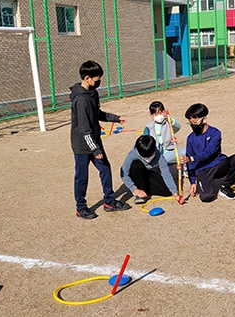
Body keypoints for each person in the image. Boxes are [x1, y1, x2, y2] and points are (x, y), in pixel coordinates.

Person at [70, 60, 131, 220]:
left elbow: (98, 114)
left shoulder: (92, 94)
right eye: (97, 80)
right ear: (87, 78)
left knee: (105, 169)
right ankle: (81, 207)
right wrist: (95, 150)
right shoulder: (80, 100)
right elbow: (84, 129)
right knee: (82, 176)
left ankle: (109, 202)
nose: (99, 83)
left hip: (94, 140)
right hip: (83, 145)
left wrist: (115, 118)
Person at [179, 103, 235, 202]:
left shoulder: (215, 133)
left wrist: (192, 158)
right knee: (206, 197)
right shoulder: (190, 138)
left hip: (219, 164)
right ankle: (206, 182)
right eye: (191, 123)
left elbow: (209, 152)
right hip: (203, 169)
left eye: (195, 122)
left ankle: (225, 186)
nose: (193, 125)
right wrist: (193, 182)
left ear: (204, 119)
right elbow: (190, 162)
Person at [120, 135, 185, 205]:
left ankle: (146, 191)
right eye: (145, 157)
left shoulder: (159, 156)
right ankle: (141, 192)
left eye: (150, 156)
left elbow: (166, 174)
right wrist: (135, 190)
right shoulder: (133, 154)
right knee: (136, 165)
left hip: (151, 174)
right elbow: (123, 173)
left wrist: (176, 194)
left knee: (167, 192)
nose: (148, 159)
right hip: (138, 174)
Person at [142, 101, 186, 165]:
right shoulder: (149, 127)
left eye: (160, 113)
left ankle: (185, 171)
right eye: (156, 114)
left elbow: (178, 126)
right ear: (151, 115)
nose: (158, 116)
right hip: (157, 155)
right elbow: (144, 143)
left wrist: (169, 119)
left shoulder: (168, 123)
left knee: (186, 152)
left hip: (170, 150)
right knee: (163, 160)